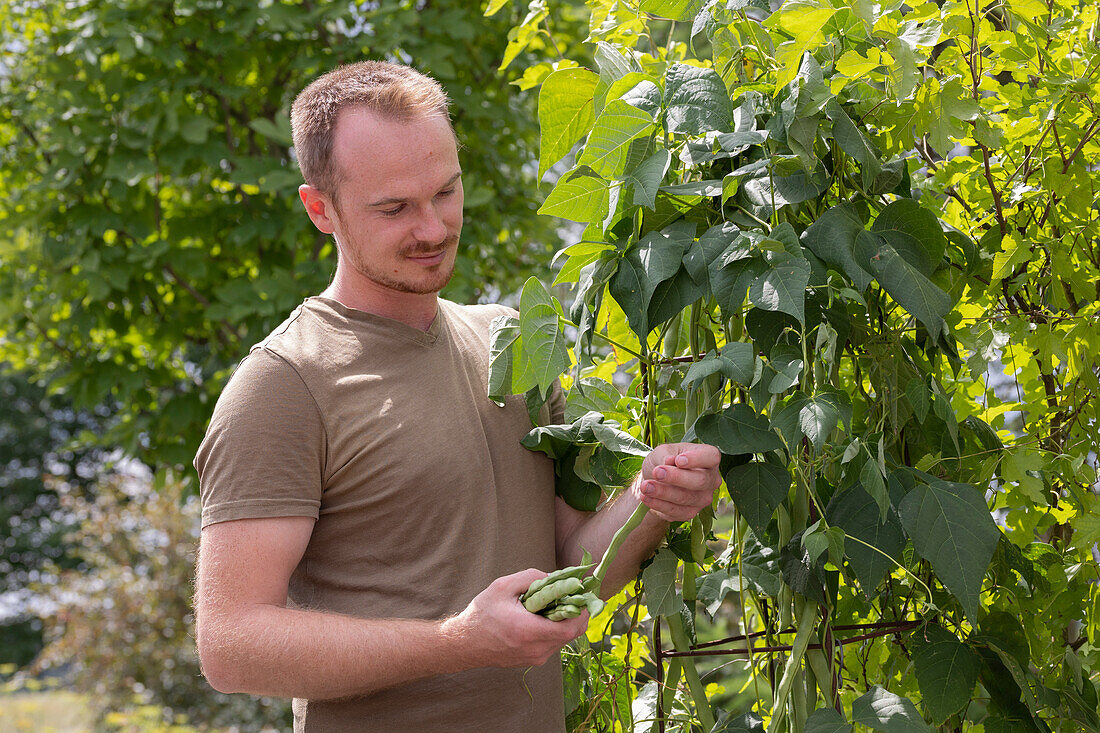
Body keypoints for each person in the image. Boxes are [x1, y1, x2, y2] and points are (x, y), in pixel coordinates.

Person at [192, 60, 722, 732]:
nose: (434, 228)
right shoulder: (284, 384)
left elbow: (572, 567)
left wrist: (650, 503)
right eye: (395, 208)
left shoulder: (508, 345)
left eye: (446, 192)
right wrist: (459, 640)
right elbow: (231, 647)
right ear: (320, 209)